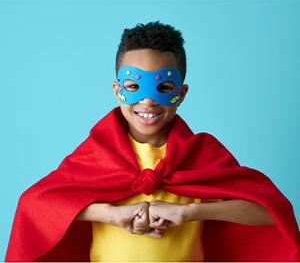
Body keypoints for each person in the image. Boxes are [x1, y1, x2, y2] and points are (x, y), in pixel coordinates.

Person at [5, 21, 300, 261]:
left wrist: (190, 212)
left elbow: (272, 212)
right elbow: (36, 205)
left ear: (181, 94)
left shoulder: (201, 154)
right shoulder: (99, 152)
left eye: (164, 86)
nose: (147, 100)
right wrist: (109, 214)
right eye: (134, 86)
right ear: (117, 89)